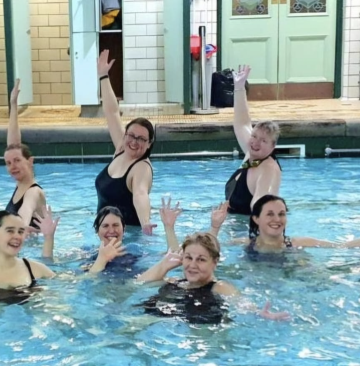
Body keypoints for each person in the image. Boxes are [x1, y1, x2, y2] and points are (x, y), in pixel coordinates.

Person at [135, 232, 290, 324]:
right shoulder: (175, 281)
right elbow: (137, 284)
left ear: (214, 262)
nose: (193, 265)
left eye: (201, 259)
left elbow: (241, 303)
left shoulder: (220, 287)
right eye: (188, 258)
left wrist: (259, 313)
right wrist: (164, 265)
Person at [95, 50, 155, 234]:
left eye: (141, 139)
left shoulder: (141, 168)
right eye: (131, 135)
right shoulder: (121, 149)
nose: (134, 142)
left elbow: (140, 194)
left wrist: (146, 224)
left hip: (128, 239)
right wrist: (103, 76)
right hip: (106, 235)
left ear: (149, 143)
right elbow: (112, 112)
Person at [225, 65, 282, 215]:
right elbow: (242, 123)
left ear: (272, 147)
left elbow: (264, 207)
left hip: (243, 233)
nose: (256, 143)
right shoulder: (252, 153)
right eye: (254, 136)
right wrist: (239, 87)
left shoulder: (268, 169)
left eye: (263, 141)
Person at [223, 194, 360, 252]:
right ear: (256, 219)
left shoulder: (298, 243)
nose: (277, 219)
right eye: (270, 214)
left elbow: (341, 247)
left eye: (281, 214)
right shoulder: (243, 243)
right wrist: (215, 225)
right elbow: (208, 250)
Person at [5, 79, 47, 229]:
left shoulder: (34, 192)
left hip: (33, 251)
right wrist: (14, 105)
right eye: (8, 163)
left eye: (17, 161)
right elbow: (13, 145)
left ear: (30, 161)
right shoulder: (21, 185)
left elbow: (26, 209)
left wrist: (20, 226)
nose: (12, 166)